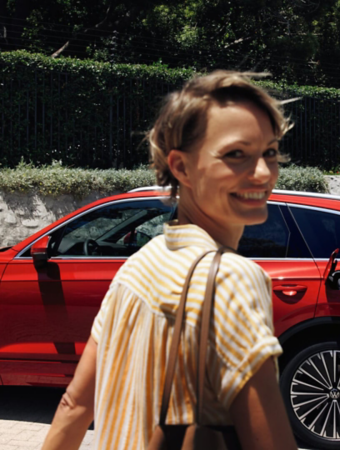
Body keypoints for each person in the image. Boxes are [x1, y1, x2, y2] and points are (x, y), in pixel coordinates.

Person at [42, 71, 298, 450]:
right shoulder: (233, 278)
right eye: (236, 155)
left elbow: (74, 405)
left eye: (270, 152)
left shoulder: (136, 267)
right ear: (181, 167)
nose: (263, 173)